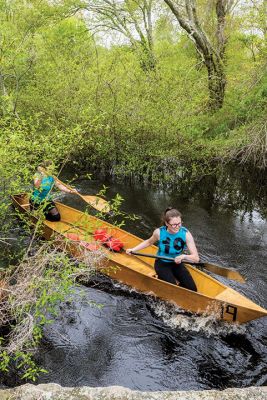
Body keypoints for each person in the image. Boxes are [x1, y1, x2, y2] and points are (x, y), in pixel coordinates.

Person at [126, 207, 198, 291]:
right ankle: (162, 281)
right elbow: (148, 242)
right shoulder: (159, 232)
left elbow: (196, 258)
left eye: (179, 223)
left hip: (177, 263)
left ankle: (176, 287)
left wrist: (183, 256)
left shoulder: (185, 233)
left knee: (192, 289)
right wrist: (133, 250)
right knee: (172, 289)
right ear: (167, 223)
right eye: (174, 224)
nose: (177, 227)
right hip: (162, 264)